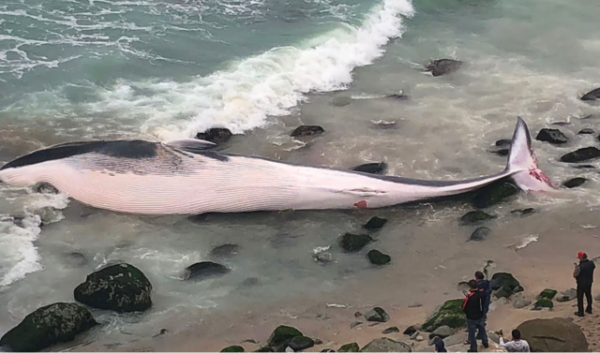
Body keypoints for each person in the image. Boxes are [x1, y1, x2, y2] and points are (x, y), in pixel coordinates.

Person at [462, 279, 489, 352]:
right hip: (480, 315)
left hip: (471, 318)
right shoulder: (482, 294)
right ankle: (485, 342)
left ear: (470, 287)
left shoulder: (469, 297)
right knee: (482, 329)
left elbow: (464, 307)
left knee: (472, 334)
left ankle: (473, 348)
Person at [574, 251, 596, 316]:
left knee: (580, 298)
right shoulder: (591, 263)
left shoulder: (579, 267)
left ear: (581, 258)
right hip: (589, 282)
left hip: (581, 284)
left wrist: (576, 268)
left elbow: (575, 275)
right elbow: (593, 267)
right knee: (588, 295)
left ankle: (581, 312)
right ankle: (589, 309)